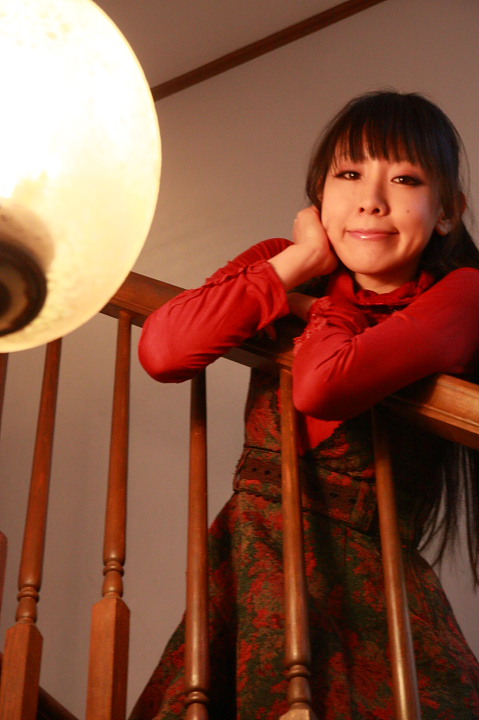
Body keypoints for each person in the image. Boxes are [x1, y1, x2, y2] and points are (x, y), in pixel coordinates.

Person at [130, 91, 479, 720]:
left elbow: (323, 385)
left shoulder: (463, 294)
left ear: (448, 212)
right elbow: (163, 349)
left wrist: (322, 304)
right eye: (349, 174)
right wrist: (300, 261)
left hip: (368, 580)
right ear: (319, 194)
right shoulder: (286, 264)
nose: (371, 199)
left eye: (405, 179)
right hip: (252, 552)